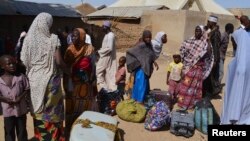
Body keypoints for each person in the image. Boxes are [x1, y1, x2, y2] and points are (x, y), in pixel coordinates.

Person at [20, 12, 69, 140]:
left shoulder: (28, 39)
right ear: (48, 24)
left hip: (34, 81)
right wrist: (69, 70)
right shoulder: (53, 38)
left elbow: (24, 62)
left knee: (39, 113)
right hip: (51, 82)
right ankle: (55, 137)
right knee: (53, 113)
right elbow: (58, 61)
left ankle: (42, 137)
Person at [64, 28, 97, 133]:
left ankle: (83, 131)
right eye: (72, 35)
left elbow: (93, 65)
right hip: (72, 84)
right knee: (72, 107)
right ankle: (71, 130)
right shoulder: (69, 50)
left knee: (84, 106)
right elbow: (65, 68)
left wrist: (92, 79)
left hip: (85, 85)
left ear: (82, 37)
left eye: (76, 35)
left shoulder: (89, 49)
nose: (73, 38)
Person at [176, 25, 214, 109]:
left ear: (202, 32)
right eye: (196, 31)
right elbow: (182, 51)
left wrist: (208, 40)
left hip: (198, 69)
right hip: (188, 68)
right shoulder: (189, 41)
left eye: (199, 31)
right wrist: (185, 63)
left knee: (195, 88)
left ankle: (192, 105)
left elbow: (209, 53)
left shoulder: (205, 43)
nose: (197, 32)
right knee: (185, 86)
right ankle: (182, 104)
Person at [221, 25, 250, 124]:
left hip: (235, 113)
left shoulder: (240, 65)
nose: (232, 43)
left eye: (233, 40)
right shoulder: (239, 61)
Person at [0, 55, 30, 141]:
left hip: (21, 110)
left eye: (13, 63)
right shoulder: (0, 80)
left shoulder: (20, 77)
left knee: (22, 131)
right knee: (9, 131)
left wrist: (20, 98)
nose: (12, 66)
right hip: (8, 111)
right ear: (2, 66)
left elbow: (27, 89)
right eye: (8, 64)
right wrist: (5, 99)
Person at [126, 30, 156, 103]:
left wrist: (154, 61)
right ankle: (139, 100)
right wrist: (137, 61)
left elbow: (150, 55)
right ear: (143, 37)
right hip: (140, 69)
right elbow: (130, 51)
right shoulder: (141, 45)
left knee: (143, 85)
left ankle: (139, 99)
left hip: (146, 67)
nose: (148, 39)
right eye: (146, 37)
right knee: (140, 85)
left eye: (149, 37)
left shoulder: (149, 45)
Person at [203, 15, 222, 97]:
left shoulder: (216, 33)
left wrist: (215, 60)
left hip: (213, 57)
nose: (207, 23)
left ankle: (213, 91)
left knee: (211, 76)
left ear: (213, 22)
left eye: (209, 21)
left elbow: (216, 47)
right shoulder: (211, 31)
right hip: (208, 57)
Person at [96, 21, 117, 91]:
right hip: (104, 55)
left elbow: (109, 48)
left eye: (103, 26)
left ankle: (105, 88)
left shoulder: (111, 35)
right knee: (105, 73)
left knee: (98, 71)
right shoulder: (107, 35)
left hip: (106, 56)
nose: (102, 28)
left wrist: (99, 52)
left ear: (106, 27)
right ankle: (106, 88)